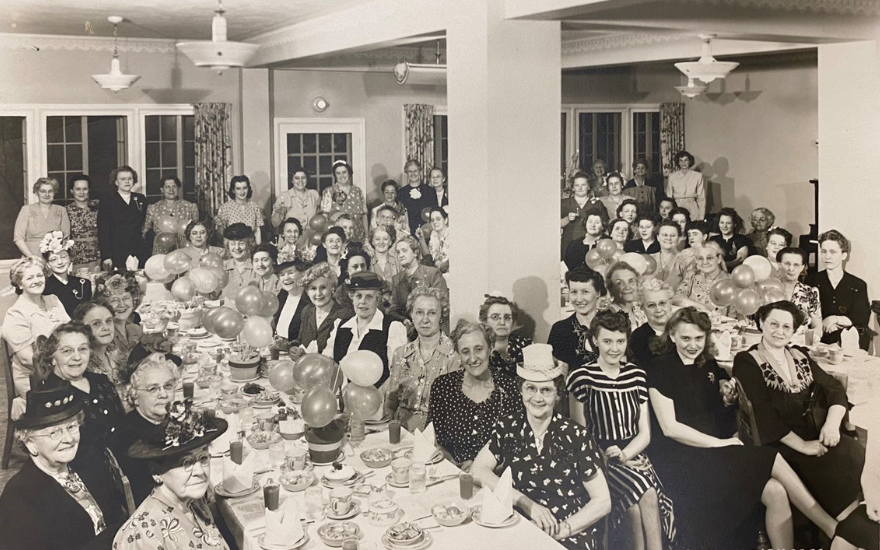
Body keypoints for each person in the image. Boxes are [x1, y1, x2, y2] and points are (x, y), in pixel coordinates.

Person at [648, 307, 839, 549]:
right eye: (685, 338)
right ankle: (832, 528)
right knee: (771, 456)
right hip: (681, 458)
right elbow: (670, 428)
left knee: (776, 492)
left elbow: (717, 402)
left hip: (713, 451)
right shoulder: (659, 369)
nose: (693, 345)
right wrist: (721, 443)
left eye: (699, 338)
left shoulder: (707, 364)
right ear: (672, 335)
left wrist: (726, 396)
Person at [734, 301, 865, 523]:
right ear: (762, 323)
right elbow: (764, 416)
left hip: (814, 432)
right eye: (773, 324)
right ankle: (840, 527)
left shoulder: (800, 354)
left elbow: (834, 389)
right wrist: (803, 445)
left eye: (786, 327)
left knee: (852, 450)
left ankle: (853, 520)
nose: (779, 331)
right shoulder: (747, 361)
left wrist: (832, 424)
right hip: (779, 443)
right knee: (829, 466)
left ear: (794, 330)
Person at [472, 343, 611, 550]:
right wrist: (524, 502)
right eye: (531, 388)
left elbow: (603, 501)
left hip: (569, 533)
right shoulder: (509, 426)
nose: (537, 398)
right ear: (521, 390)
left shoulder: (576, 436)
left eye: (546, 390)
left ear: (558, 393)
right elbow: (478, 470)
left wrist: (562, 530)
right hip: (521, 526)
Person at [568, 311, 675, 550]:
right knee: (641, 499)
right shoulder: (581, 377)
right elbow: (580, 436)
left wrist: (625, 455)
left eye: (620, 341)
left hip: (635, 455)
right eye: (607, 341)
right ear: (595, 340)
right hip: (598, 458)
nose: (614, 348)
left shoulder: (636, 376)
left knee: (642, 500)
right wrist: (607, 457)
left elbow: (645, 433)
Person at [0, 379, 124, 550]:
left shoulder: (90, 461)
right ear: (30, 444)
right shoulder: (19, 497)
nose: (68, 439)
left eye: (71, 427)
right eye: (54, 432)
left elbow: (116, 516)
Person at [114, 401, 230, 550]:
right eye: (186, 462)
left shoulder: (192, 500)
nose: (200, 471)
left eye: (203, 458)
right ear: (156, 473)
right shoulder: (144, 537)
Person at [427, 321, 523, 468]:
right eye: (465, 351)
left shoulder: (510, 388)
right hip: (453, 472)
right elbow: (434, 441)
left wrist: (483, 469)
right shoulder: (442, 387)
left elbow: (519, 447)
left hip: (497, 475)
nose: (472, 358)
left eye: (478, 349)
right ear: (458, 353)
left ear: (490, 348)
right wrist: (454, 464)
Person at [39, 321, 126, 457]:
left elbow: (122, 426)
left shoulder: (101, 381)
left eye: (82, 349)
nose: (77, 357)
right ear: (52, 357)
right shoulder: (49, 396)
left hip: (122, 457)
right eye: (67, 351)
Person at [384, 287, 459, 432]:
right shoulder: (400, 354)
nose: (425, 320)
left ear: (441, 316)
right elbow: (390, 404)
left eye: (432, 313)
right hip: (402, 433)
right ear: (411, 315)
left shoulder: (454, 355)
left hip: (438, 435)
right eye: (419, 312)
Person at [324, 272, 407, 387]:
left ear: (378, 298)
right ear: (352, 297)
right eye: (358, 296)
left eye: (369, 297)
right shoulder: (340, 326)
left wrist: (378, 394)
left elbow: (397, 375)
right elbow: (327, 364)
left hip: (378, 396)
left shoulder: (393, 328)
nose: (363, 301)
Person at [2, 257, 70, 400]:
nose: (37, 280)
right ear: (20, 284)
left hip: (65, 366)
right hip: (36, 379)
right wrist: (65, 364)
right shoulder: (16, 314)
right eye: (30, 278)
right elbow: (27, 359)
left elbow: (71, 332)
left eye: (39, 275)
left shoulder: (53, 300)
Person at [116, 353, 177, 505]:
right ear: (135, 396)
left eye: (168, 386)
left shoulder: (167, 421)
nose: (163, 395)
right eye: (153, 389)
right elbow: (149, 494)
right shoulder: (131, 438)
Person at [806, 230, 871, 350]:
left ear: (844, 255)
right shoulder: (811, 281)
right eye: (824, 251)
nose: (827, 256)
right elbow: (806, 314)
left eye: (833, 252)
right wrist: (822, 324)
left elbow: (861, 317)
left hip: (850, 343)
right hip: (819, 342)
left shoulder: (858, 284)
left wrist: (834, 319)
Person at [548, 267, 606, 370]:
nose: (579, 299)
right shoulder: (560, 330)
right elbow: (556, 373)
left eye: (585, 292)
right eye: (574, 292)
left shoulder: (613, 325)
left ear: (598, 293)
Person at [98, 166, 148, 271]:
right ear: (116, 182)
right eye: (123, 179)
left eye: (130, 178)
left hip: (138, 250)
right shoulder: (108, 200)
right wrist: (107, 256)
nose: (127, 181)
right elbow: (103, 230)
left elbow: (145, 223)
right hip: (117, 251)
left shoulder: (140, 199)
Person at [72, 300, 125, 396]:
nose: (106, 328)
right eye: (96, 324)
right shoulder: (81, 362)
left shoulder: (115, 351)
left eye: (108, 321)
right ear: (82, 328)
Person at [389, 235, 448, 322]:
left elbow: (442, 304)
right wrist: (404, 320)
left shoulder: (432, 274)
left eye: (404, 250)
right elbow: (393, 310)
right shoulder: (397, 279)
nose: (401, 255)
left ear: (415, 252)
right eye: (398, 252)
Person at [14, 177, 71, 258]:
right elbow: (18, 238)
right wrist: (32, 257)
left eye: (50, 191)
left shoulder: (61, 210)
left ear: (54, 192)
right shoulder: (26, 210)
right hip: (31, 256)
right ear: (36, 192)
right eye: (43, 191)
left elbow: (65, 238)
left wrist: (56, 258)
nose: (47, 194)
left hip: (54, 257)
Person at [142, 176, 199, 255]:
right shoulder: (153, 208)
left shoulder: (190, 207)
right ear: (162, 189)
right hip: (161, 249)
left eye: (174, 186)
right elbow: (145, 230)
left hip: (184, 250)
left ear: (178, 188)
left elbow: (197, 229)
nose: (171, 190)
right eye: (167, 187)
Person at [480, 294, 533, 376]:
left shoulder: (526, 346)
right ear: (484, 321)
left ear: (513, 322)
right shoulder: (478, 348)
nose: (502, 322)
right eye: (495, 317)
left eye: (507, 318)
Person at [42, 232, 93, 316]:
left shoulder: (84, 284)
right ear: (48, 264)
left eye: (63, 257)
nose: (60, 262)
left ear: (70, 258)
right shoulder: (44, 287)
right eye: (54, 259)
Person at [94, 272, 144, 358]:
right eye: (114, 300)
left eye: (126, 298)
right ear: (103, 304)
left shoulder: (135, 329)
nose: (121, 304)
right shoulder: (103, 335)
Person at [674, 242, 732, 315]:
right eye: (700, 258)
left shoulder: (730, 281)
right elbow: (676, 299)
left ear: (719, 259)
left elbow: (734, 316)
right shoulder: (691, 276)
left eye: (709, 258)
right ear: (696, 260)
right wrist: (701, 307)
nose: (704, 262)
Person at [299, 263, 345, 353]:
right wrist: (293, 348)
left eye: (323, 287)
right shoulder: (307, 311)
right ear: (307, 292)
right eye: (313, 288)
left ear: (332, 288)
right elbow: (300, 341)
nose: (318, 293)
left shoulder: (343, 315)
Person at [630, 278, 673, 371]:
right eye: (651, 305)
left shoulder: (683, 330)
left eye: (662, 303)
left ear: (670, 303)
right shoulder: (637, 338)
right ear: (642, 308)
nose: (658, 310)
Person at [777, 247, 823, 332]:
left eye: (796, 265)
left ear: (802, 267)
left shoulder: (810, 292)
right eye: (787, 264)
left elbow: (818, 328)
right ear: (779, 264)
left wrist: (807, 336)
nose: (791, 269)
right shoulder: (769, 289)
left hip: (801, 339)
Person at [321, 160, 367, 242]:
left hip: (358, 234)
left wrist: (366, 236)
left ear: (349, 173)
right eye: (338, 173)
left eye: (344, 172)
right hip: (339, 236)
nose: (342, 176)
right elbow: (325, 216)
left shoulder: (357, 191)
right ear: (335, 175)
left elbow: (364, 215)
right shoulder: (329, 191)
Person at [66, 174, 101, 271]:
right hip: (76, 257)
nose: (81, 192)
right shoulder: (66, 211)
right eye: (78, 189)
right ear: (72, 190)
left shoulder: (99, 207)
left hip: (98, 255)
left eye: (85, 189)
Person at [215, 175, 263, 244]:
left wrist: (259, 247)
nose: (242, 192)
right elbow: (221, 234)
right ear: (233, 190)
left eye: (244, 188)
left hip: (251, 245)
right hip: (234, 246)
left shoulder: (254, 206)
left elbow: (257, 231)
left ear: (248, 189)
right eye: (238, 188)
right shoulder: (225, 207)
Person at [274, 257, 312, 342]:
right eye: (282, 275)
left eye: (290, 273)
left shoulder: (309, 300)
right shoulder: (282, 296)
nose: (286, 278)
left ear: (302, 274)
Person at [561, 171, 598, 256]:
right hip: (569, 243)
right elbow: (554, 225)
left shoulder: (596, 204)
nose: (580, 188)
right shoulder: (564, 204)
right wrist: (567, 219)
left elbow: (604, 225)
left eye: (583, 185)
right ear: (573, 188)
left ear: (588, 186)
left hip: (590, 245)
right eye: (577, 185)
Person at [397, 159, 438, 236]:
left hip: (427, 231)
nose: (413, 174)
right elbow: (400, 213)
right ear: (406, 173)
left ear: (420, 172)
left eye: (415, 171)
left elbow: (434, 211)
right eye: (410, 171)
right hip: (408, 231)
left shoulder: (430, 191)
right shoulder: (401, 192)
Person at [606, 262, 648, 330]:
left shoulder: (641, 313)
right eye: (619, 283)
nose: (627, 287)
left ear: (637, 285)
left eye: (631, 281)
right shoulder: (607, 316)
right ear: (611, 289)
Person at [665, 151, 705, 221]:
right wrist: (669, 214)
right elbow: (669, 198)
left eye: (686, 160)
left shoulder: (697, 176)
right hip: (677, 206)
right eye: (681, 160)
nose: (683, 163)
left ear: (690, 161)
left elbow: (701, 198)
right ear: (678, 162)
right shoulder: (672, 176)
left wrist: (701, 216)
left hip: (692, 207)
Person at [220, 223, 256, 299]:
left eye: (241, 243)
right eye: (233, 244)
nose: (237, 247)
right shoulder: (222, 267)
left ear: (249, 244)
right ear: (228, 245)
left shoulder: (257, 267)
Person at [333, 247, 371, 315]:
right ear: (346, 270)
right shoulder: (340, 293)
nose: (360, 269)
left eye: (363, 266)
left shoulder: (376, 286)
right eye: (355, 267)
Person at [650, 220, 686, 289]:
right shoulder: (649, 259)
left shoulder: (685, 261)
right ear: (658, 237)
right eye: (664, 235)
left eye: (672, 235)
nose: (668, 238)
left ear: (678, 238)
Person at [416, 206, 449, 274]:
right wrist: (421, 239)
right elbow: (429, 257)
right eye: (432, 220)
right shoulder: (433, 235)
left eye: (438, 219)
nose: (435, 222)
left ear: (445, 220)